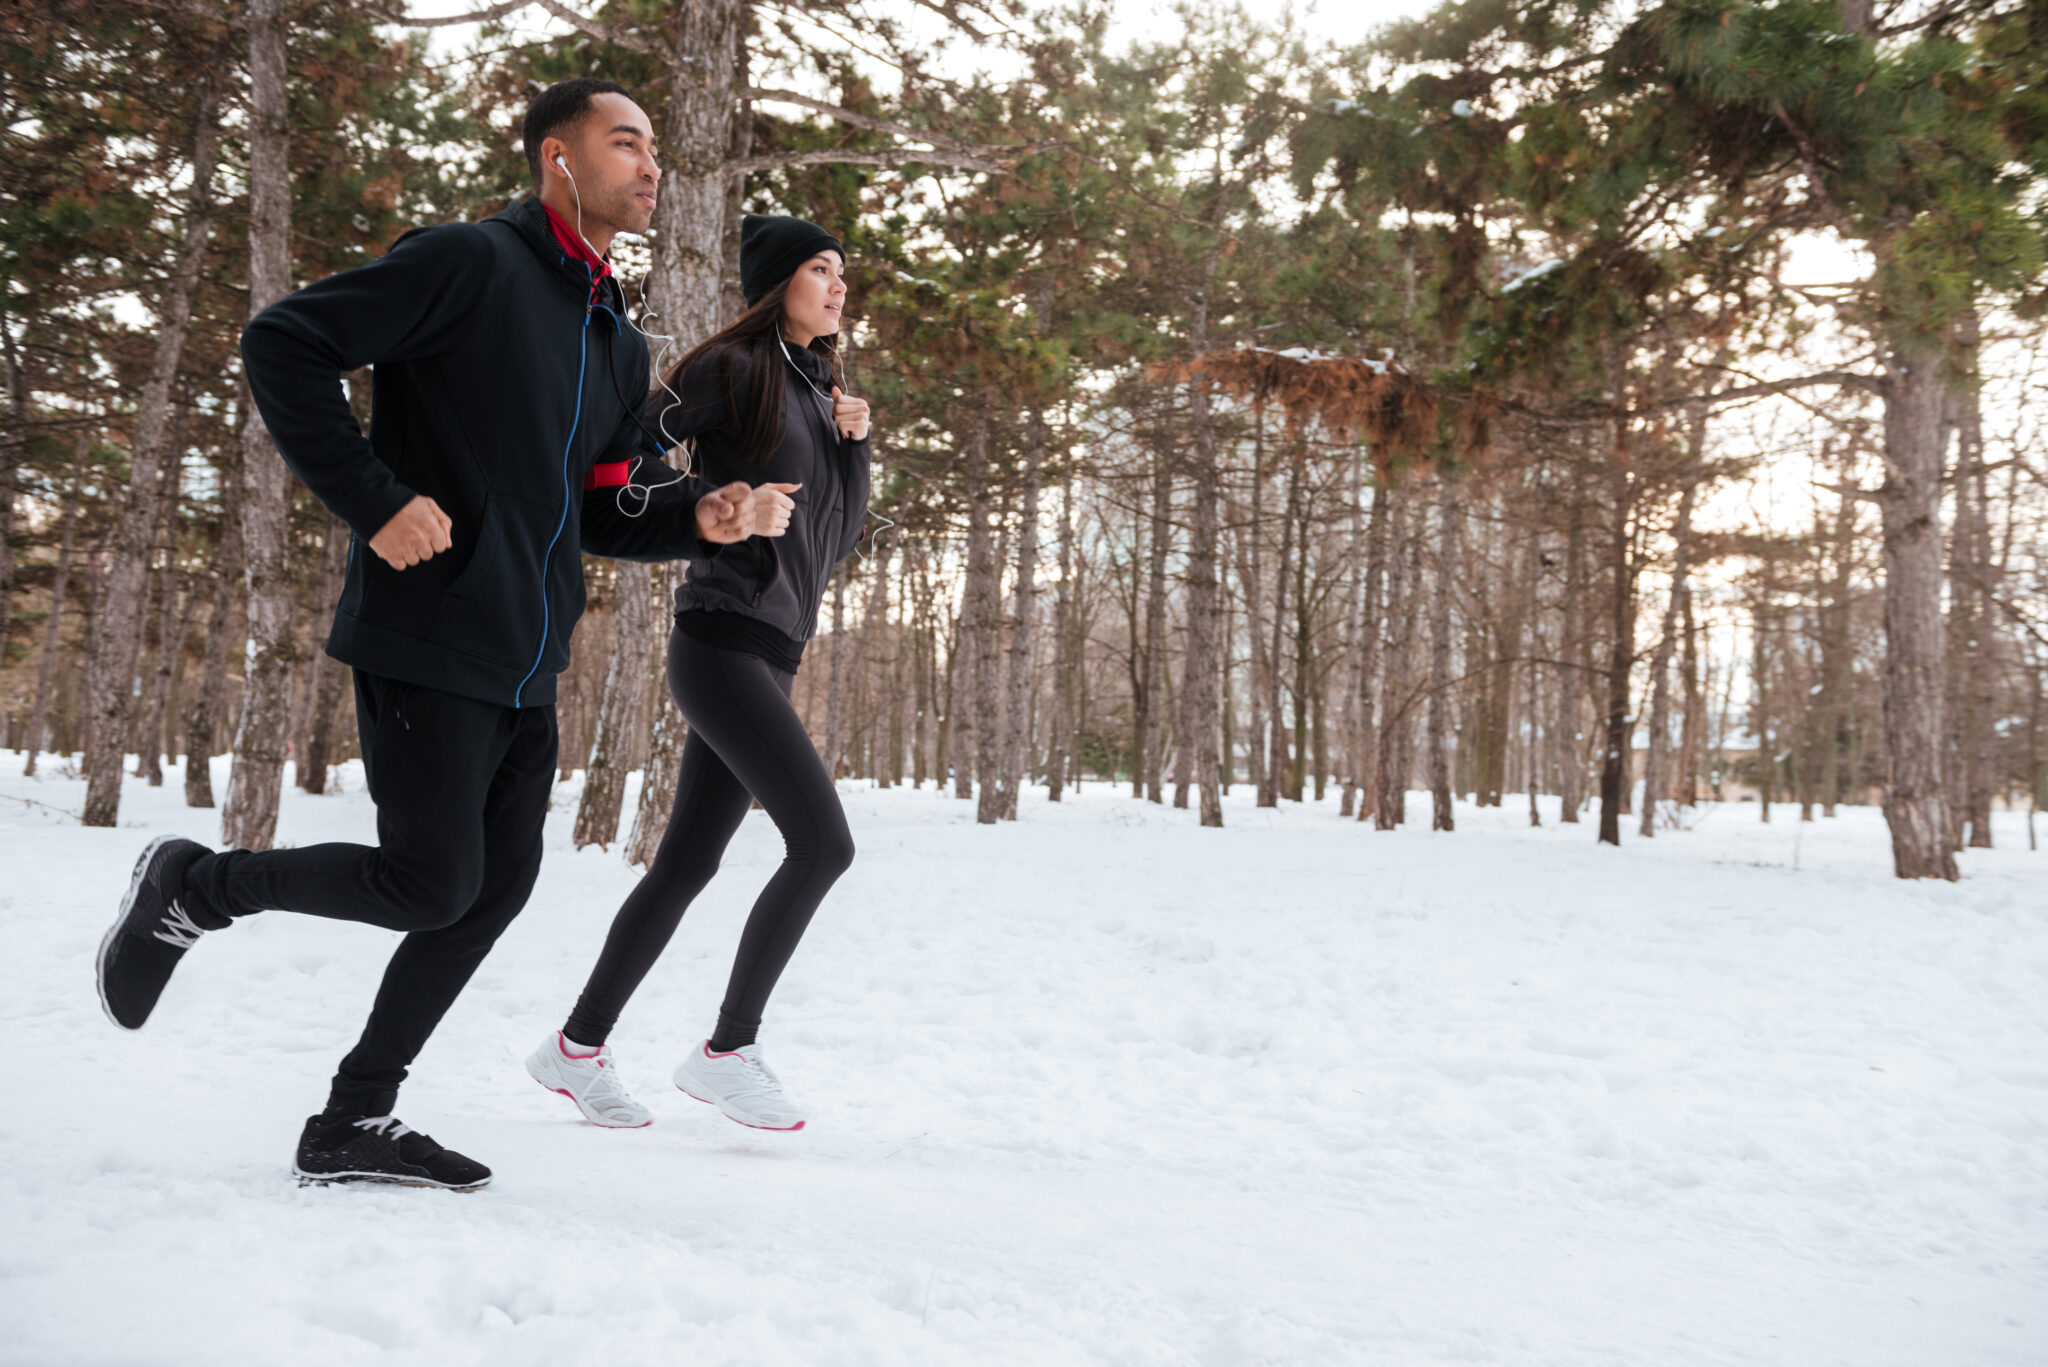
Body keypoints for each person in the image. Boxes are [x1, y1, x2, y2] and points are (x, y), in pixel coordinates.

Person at [93, 79, 795, 1191]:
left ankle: (350, 1121)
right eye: (625, 142)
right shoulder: (470, 263)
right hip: (429, 631)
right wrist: (373, 497)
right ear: (555, 159)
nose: (650, 163)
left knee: (493, 885)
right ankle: (197, 885)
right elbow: (285, 340)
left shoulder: (615, 339)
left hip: (529, 653)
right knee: (431, 881)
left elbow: (607, 505)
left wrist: (695, 518)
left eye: (657, 145)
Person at [524, 213, 871, 1134]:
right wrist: (714, 503)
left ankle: (574, 1047)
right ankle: (728, 1050)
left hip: (773, 647)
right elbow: (621, 461)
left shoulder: (819, 386)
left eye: (843, 274)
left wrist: (855, 442)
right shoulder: (733, 368)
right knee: (824, 844)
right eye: (820, 270)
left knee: (685, 864)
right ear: (776, 285)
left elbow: (836, 536)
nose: (839, 288)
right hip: (721, 638)